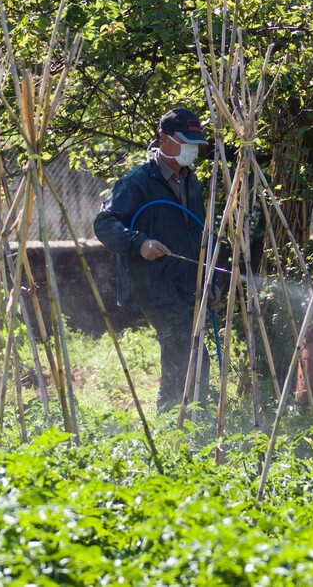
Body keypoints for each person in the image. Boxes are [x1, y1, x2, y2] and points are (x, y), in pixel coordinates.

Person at [94, 107, 215, 413]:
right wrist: (139, 243)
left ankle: (188, 416)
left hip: (187, 280)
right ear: (163, 138)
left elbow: (199, 230)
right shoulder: (138, 180)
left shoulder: (191, 180)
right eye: (185, 142)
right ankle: (174, 417)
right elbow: (104, 223)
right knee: (180, 348)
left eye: (195, 144)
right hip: (152, 283)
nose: (191, 149)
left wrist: (209, 281)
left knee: (194, 351)